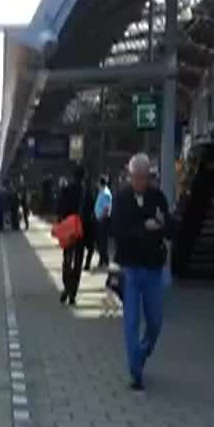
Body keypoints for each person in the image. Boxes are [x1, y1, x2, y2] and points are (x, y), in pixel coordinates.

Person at [113, 153, 170, 391]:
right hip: (130, 269)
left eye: (144, 177)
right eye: (136, 177)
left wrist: (163, 223)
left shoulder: (158, 197)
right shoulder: (121, 198)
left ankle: (143, 351)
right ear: (130, 175)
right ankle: (135, 372)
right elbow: (117, 230)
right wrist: (144, 229)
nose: (140, 181)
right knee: (132, 320)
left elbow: (170, 228)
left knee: (155, 321)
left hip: (153, 269)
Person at [57, 166, 86, 305]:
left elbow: (59, 210)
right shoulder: (88, 192)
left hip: (69, 230)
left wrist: (62, 224)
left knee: (67, 260)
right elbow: (92, 216)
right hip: (81, 232)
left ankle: (67, 288)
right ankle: (73, 293)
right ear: (84, 177)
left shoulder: (66, 190)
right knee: (78, 263)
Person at [93, 176, 113, 268]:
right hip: (100, 219)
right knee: (100, 241)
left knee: (103, 241)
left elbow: (106, 208)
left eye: (97, 182)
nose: (96, 184)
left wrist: (101, 217)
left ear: (100, 183)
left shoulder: (105, 193)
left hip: (103, 220)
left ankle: (105, 260)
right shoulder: (101, 192)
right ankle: (103, 259)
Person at [82, 176, 98, 271]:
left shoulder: (83, 194)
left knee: (81, 245)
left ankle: (79, 263)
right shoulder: (91, 195)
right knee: (90, 247)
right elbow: (94, 208)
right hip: (89, 223)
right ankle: (87, 264)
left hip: (82, 222)